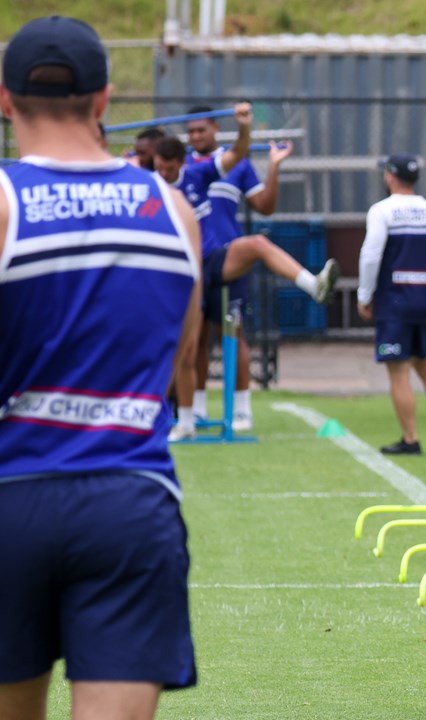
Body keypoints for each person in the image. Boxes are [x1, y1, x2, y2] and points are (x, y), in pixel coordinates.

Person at [0, 15, 202, 718]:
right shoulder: (176, 210)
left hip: (12, 493)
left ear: (4, 100)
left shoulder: (3, 200)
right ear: (105, 99)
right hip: (130, 498)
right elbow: (181, 356)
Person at [153, 133, 340, 440]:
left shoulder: (197, 173)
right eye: (159, 168)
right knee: (188, 348)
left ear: (180, 163)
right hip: (184, 271)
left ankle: (314, 285)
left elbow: (238, 156)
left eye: (169, 169)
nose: (165, 174)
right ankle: (186, 419)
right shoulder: (150, 187)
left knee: (257, 246)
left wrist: (245, 127)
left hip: (216, 257)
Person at [185, 105, 297, 432]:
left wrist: (274, 167)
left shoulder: (237, 164)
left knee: (234, 334)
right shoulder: (180, 167)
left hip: (227, 260)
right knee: (196, 339)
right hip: (192, 264)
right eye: (190, 131)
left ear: (215, 129)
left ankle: (242, 410)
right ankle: (198, 408)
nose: (195, 137)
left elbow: (265, 207)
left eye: (201, 130)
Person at [357, 153, 426, 455]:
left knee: (398, 370)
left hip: (393, 300)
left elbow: (371, 256)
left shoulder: (382, 211)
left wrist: (365, 295)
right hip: (421, 300)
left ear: (390, 176)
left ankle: (410, 438)